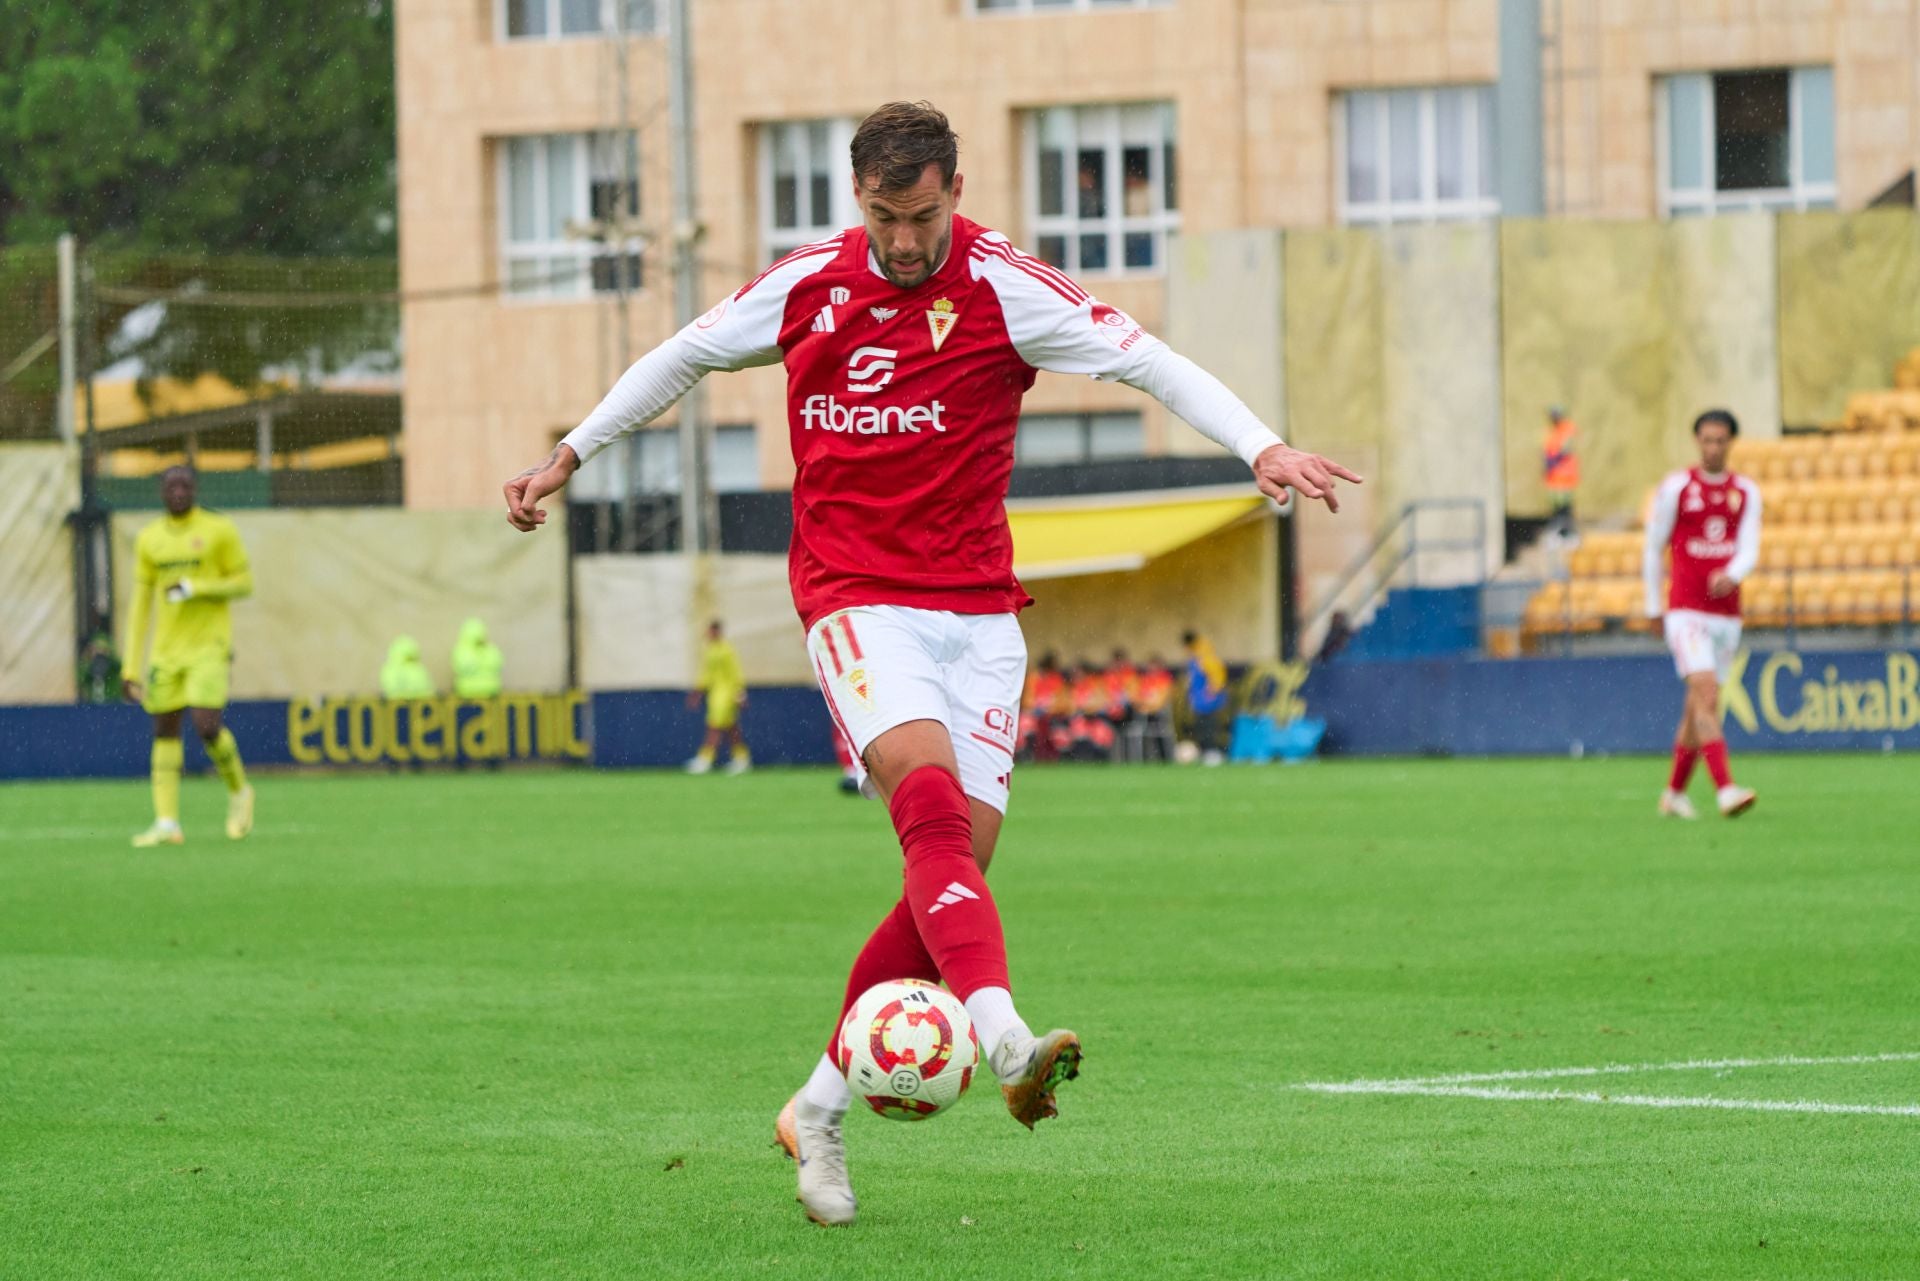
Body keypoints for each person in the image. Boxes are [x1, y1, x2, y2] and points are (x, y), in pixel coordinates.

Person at [501, 101, 1360, 1227]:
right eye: (882, 217)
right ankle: (1005, 1037)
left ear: (957, 190)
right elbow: (683, 357)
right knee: (930, 811)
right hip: (855, 595)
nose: (904, 242)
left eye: (923, 215)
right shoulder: (808, 284)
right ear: (855, 200)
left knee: (948, 879)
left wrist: (1264, 445)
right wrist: (573, 451)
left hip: (980, 614)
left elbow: (1152, 363)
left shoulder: (1008, 289)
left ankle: (816, 1107)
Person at [120, 465, 254, 847]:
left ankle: (239, 791)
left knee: (207, 726)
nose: (178, 491)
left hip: (210, 646)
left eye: (185, 485)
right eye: (171, 485)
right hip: (167, 651)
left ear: (195, 489)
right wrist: (131, 666)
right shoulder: (150, 540)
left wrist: (197, 586)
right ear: (161, 492)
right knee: (164, 729)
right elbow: (140, 607)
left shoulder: (218, 531)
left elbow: (245, 583)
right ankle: (166, 823)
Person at [1644, 409, 1760, 819]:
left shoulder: (1745, 491)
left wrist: (1733, 574)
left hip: (1727, 616)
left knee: (1697, 706)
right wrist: (1653, 606)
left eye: (1720, 440)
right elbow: (1652, 545)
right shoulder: (1677, 487)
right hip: (1686, 611)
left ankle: (1673, 795)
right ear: (1697, 442)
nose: (1713, 447)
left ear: (1730, 442)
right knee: (1708, 693)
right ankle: (1725, 789)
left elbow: (1750, 547)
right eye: (1706, 440)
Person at [686, 619, 751, 775]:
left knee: (714, 725)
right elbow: (706, 675)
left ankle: (706, 758)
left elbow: (736, 672)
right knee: (730, 727)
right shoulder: (709, 650)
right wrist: (698, 692)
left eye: (711, 631)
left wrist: (740, 693)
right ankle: (742, 758)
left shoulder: (727, 650)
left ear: (717, 631)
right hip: (715, 694)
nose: (708, 634)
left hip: (727, 694)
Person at [1182, 630, 1232, 765]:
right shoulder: (1197, 657)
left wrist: (1212, 691)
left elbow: (1218, 676)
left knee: (1209, 726)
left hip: (1207, 700)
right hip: (1200, 700)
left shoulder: (1204, 656)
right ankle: (1206, 752)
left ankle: (1212, 753)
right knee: (1202, 726)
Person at [1543, 406, 1580, 534]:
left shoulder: (1567, 429)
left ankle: (1566, 527)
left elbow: (1565, 448)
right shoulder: (1553, 430)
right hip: (1554, 475)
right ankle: (1559, 524)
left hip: (1564, 474)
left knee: (1564, 502)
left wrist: (1553, 460)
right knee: (1556, 502)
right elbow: (1549, 449)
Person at [451, 617, 504, 698]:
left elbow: (497, 665)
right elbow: (463, 668)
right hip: (467, 693)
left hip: (490, 691)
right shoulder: (461, 651)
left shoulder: (490, 649)